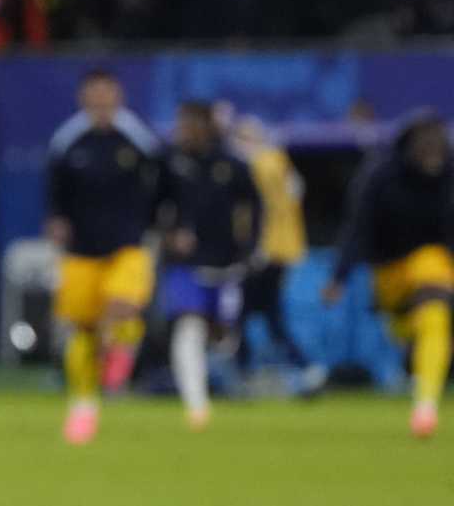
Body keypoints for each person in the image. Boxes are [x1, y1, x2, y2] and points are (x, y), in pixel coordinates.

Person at [45, 71, 159, 444]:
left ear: (118, 96)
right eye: (94, 94)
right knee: (82, 329)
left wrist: (161, 222)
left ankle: (118, 362)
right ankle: (84, 403)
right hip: (82, 249)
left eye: (106, 94)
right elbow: (55, 190)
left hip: (127, 244)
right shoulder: (68, 140)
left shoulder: (137, 139)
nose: (100, 101)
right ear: (84, 98)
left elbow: (162, 183)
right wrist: (57, 221)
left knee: (123, 304)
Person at [324, 112, 454, 438]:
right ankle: (417, 363)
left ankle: (425, 405)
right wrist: (339, 277)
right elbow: (357, 229)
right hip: (390, 275)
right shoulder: (381, 176)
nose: (433, 155)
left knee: (435, 312)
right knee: (416, 330)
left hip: (435, 268)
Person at [157, 102, 261, 430]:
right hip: (187, 265)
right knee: (188, 327)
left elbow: (255, 208)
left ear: (207, 126)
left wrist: (250, 246)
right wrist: (169, 235)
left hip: (227, 264)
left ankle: (231, 378)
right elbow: (153, 206)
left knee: (222, 338)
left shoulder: (232, 165)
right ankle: (197, 405)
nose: (183, 130)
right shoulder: (170, 163)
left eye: (190, 123)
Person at [231, 117, 319, 382]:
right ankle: (302, 367)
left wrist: (253, 246)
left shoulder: (259, 164)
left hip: (262, 250)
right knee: (266, 314)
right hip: (283, 250)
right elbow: (296, 194)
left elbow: (255, 211)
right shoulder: (280, 161)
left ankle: (246, 370)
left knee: (247, 313)